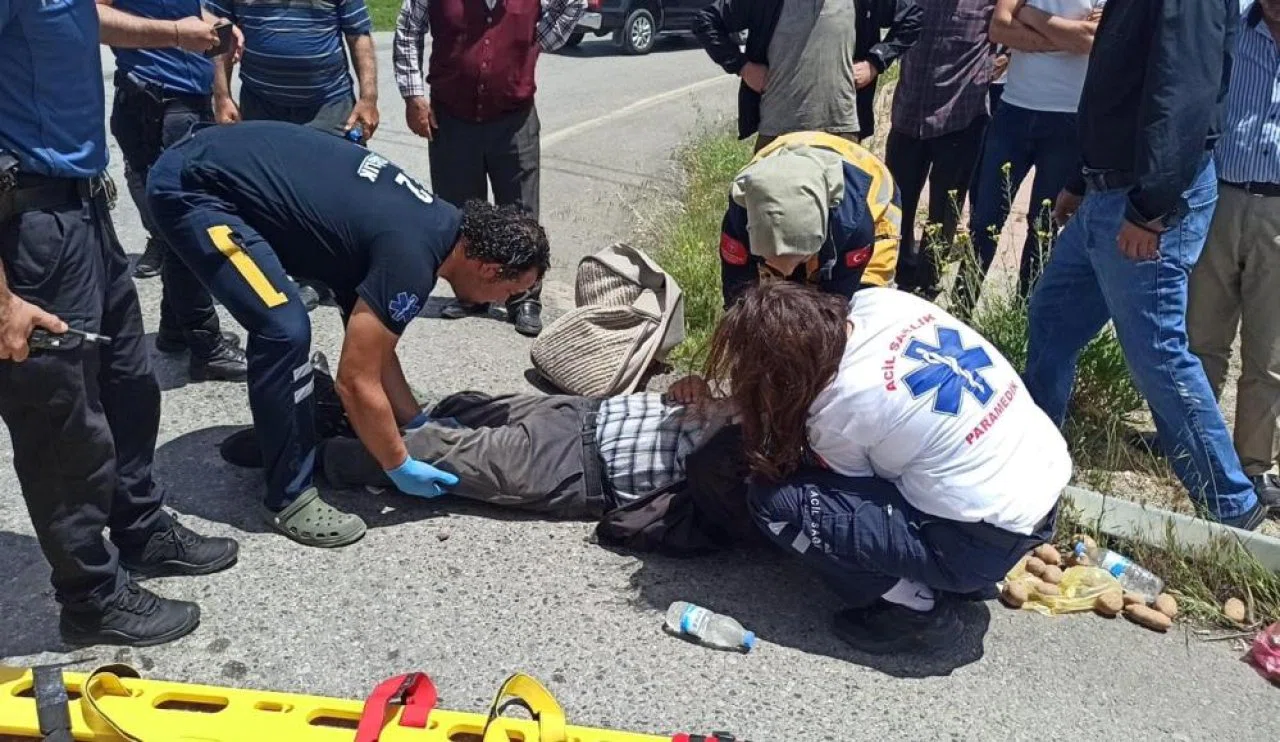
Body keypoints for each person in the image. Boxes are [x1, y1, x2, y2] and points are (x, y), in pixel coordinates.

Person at [146, 121, 550, 548]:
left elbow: (374, 350)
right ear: (488, 268)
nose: (506, 300)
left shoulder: (438, 226)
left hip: (215, 159)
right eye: (512, 292)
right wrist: (398, 464)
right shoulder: (413, 258)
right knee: (284, 328)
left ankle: (277, 431)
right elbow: (355, 381)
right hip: (194, 189)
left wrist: (415, 421)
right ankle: (289, 497)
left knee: (295, 322)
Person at [0, 0, 238, 648]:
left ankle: (139, 527)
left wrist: (178, 35)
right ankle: (91, 597)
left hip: (83, 211)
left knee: (130, 383)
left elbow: (81, 18)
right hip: (29, 226)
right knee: (62, 422)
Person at [701, 281, 1069, 653]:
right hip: (1042, 486)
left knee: (775, 501)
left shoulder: (837, 409)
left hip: (980, 543)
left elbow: (852, 498)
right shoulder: (881, 303)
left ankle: (916, 610)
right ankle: (950, 571)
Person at [1025, 0, 1271, 529]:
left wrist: (1151, 208)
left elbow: (1184, 96)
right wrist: (1079, 178)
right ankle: (1031, 454)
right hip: (1107, 191)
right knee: (1051, 317)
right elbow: (1113, 88)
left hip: (1144, 201)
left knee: (1158, 354)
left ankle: (1232, 505)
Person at [218, 353, 739, 521]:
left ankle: (301, 452)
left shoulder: (764, 471)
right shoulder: (769, 399)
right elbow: (706, 398)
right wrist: (697, 389)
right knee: (460, 407)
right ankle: (347, 412)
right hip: (589, 411)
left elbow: (712, 486)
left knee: (430, 452)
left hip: (577, 467)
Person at [393, 0, 587, 338]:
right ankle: (472, 295)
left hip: (514, 119)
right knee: (460, 211)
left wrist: (538, 38)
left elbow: (575, 3)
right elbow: (409, 28)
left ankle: (524, 298)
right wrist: (413, 96)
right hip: (451, 117)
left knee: (521, 212)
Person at [103, 0, 248, 382]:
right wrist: (178, 34)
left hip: (185, 103)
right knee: (188, 225)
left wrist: (213, 26)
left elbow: (170, 10)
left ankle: (175, 328)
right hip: (154, 105)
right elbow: (92, 18)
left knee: (181, 222)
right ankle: (205, 345)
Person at [1188, 0, 1280, 511]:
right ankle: (1190, 446)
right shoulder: (1233, 28)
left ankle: (1253, 466)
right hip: (1220, 197)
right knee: (1202, 335)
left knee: (1269, 353)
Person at [956, 0, 1101, 316]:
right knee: (984, 222)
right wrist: (1067, 37)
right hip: (1013, 112)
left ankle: (1024, 322)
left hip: (1069, 118)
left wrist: (1029, 15)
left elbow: (1092, 40)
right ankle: (959, 314)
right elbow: (999, 29)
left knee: (1043, 229)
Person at [693, 0, 921, 151]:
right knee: (768, 210)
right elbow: (706, 22)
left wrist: (875, 62)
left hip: (841, 132)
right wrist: (743, 67)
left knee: (843, 210)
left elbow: (912, 16)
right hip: (777, 135)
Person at [885, 0, 996, 299]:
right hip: (908, 112)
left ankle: (928, 284)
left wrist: (994, 66)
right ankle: (899, 274)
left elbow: (1009, 35)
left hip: (961, 116)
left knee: (945, 209)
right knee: (896, 203)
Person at [717, 131, 900, 308]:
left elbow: (840, 300)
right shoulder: (741, 213)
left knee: (860, 308)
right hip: (783, 156)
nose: (787, 273)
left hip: (871, 205)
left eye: (796, 260)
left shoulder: (854, 226)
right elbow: (737, 289)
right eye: (771, 262)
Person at [207, 0, 378, 141]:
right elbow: (219, 33)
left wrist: (368, 99)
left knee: (334, 169)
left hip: (329, 107)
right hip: (260, 106)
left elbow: (358, 36)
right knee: (263, 171)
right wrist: (222, 98)